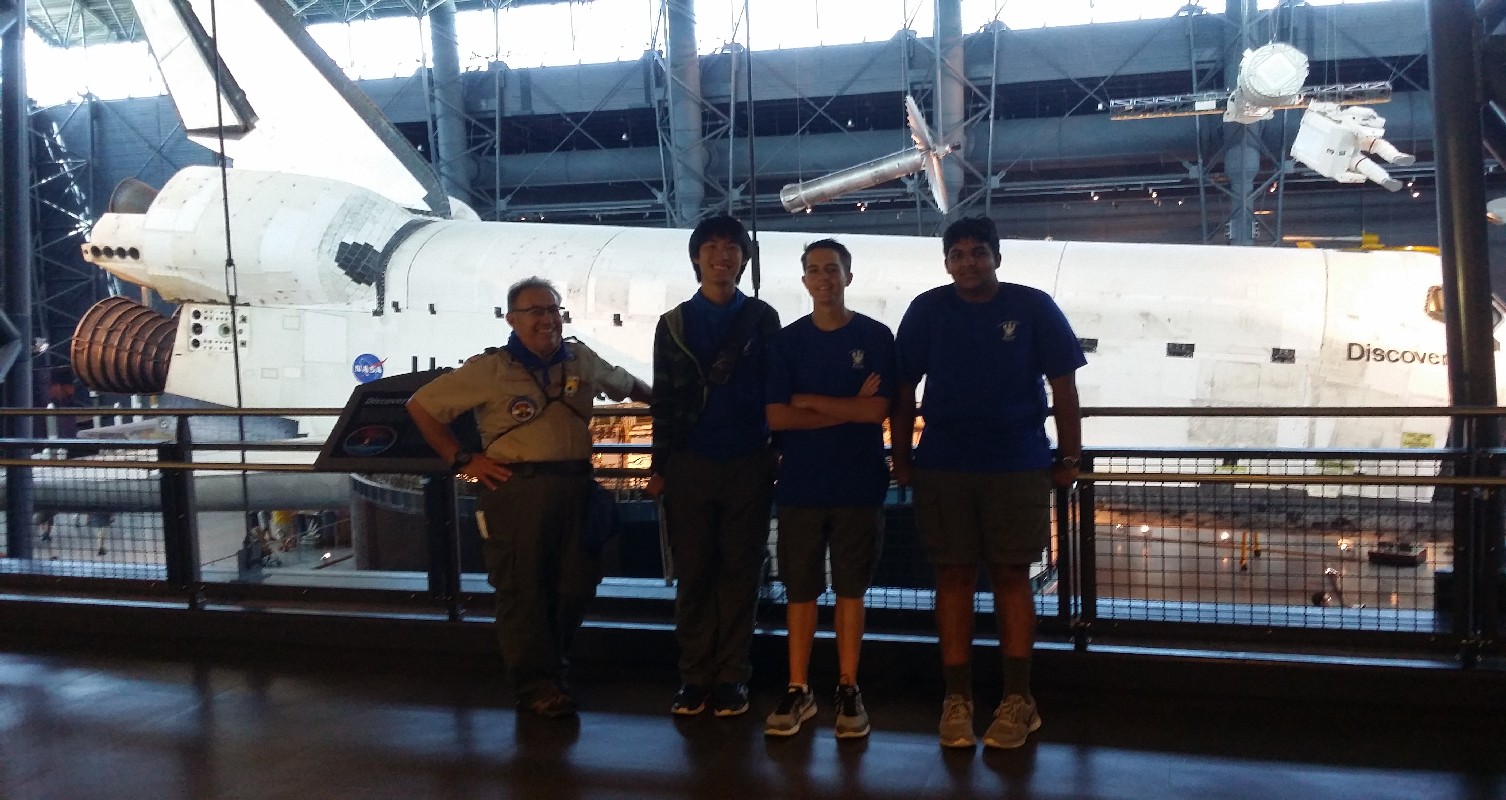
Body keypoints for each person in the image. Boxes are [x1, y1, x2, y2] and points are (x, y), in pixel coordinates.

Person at [408, 276, 651, 718]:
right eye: (535, 311)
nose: (546, 319)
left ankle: (552, 669)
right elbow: (421, 406)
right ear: (512, 319)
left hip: (576, 486)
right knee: (524, 589)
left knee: (576, 583)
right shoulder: (490, 369)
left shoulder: (579, 359)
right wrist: (462, 459)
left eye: (552, 309)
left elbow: (630, 385)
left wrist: (674, 407)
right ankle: (536, 686)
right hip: (515, 490)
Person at [890, 216, 1085, 750]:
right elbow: (904, 391)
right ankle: (958, 698)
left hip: (1016, 463)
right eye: (958, 254)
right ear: (946, 262)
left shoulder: (1033, 306)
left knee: (1011, 576)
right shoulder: (927, 309)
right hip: (944, 465)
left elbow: (1065, 388)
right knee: (952, 577)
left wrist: (1069, 457)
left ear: (996, 257)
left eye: (978, 252)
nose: (968, 262)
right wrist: (903, 457)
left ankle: (1019, 698)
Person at [648, 215, 781, 718]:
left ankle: (730, 677)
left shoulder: (762, 319)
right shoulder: (673, 324)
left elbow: (775, 386)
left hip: (749, 460)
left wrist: (777, 448)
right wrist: (659, 465)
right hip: (689, 463)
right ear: (696, 257)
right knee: (695, 572)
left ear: (744, 259)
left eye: (731, 247)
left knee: (741, 572)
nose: (722, 255)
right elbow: (664, 401)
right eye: (711, 247)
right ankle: (694, 676)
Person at [762, 239, 894, 739]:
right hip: (801, 484)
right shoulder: (787, 341)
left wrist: (809, 401)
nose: (823, 278)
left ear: (848, 276)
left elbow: (876, 411)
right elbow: (777, 417)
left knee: (851, 589)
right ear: (804, 280)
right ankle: (798, 687)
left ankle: (847, 685)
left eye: (832, 269)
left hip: (859, 483)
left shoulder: (875, 335)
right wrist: (847, 408)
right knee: (800, 589)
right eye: (814, 270)